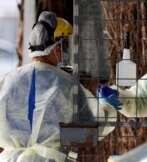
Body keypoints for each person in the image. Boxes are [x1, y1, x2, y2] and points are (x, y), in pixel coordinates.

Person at [0, 11, 116, 161]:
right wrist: (108, 107)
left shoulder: (6, 82)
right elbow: (93, 132)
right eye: (63, 47)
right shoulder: (66, 85)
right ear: (56, 50)